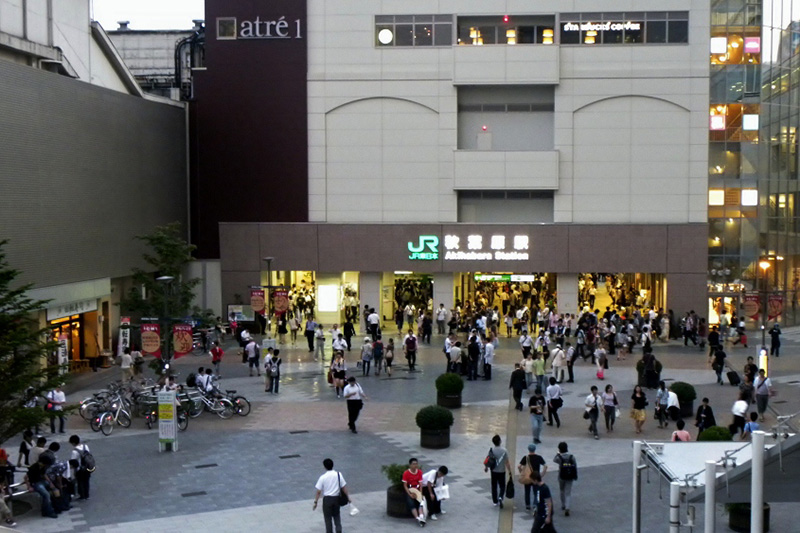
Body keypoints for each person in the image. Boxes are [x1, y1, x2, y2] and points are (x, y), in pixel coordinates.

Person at [313, 458, 350, 533]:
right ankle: (339, 530)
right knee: (337, 516)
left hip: (327, 500)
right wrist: (348, 498)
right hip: (336, 499)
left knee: (328, 519)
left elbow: (318, 492)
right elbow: (344, 487)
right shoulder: (338, 474)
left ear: (325, 467)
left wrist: (315, 502)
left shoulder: (323, 477)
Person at [24, 454, 58, 518]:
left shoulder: (43, 467)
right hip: (35, 483)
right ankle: (49, 511)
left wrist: (50, 483)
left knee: (53, 489)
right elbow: (26, 477)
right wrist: (29, 487)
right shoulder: (33, 468)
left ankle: (50, 508)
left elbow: (44, 475)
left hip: (41, 481)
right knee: (46, 494)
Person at [485, 435, 512, 508]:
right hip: (502, 471)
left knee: (494, 486)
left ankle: (495, 501)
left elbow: (488, 459)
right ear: (500, 441)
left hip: (493, 471)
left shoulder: (492, 450)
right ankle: (500, 497)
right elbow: (507, 462)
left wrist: (486, 467)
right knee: (502, 485)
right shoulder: (504, 450)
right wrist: (509, 471)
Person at [519, 443, 547, 511]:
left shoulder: (525, 458)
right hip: (536, 477)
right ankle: (535, 505)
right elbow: (545, 466)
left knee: (527, 491)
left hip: (528, 477)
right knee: (536, 491)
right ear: (535, 449)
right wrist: (542, 474)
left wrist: (521, 472)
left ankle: (528, 506)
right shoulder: (539, 457)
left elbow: (519, 466)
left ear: (528, 449)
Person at [553, 442, 577, 517]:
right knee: (568, 493)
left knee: (562, 490)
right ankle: (567, 507)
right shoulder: (571, 457)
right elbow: (575, 466)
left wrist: (557, 453)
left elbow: (554, 460)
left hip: (561, 475)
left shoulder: (559, 458)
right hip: (570, 476)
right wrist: (575, 475)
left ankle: (563, 504)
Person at [402, 458, 427, 526]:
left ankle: (421, 516)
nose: (415, 465)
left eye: (416, 464)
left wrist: (420, 494)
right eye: (413, 464)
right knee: (411, 503)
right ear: (410, 465)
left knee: (420, 502)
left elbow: (421, 484)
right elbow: (405, 486)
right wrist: (410, 494)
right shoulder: (406, 473)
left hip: (417, 490)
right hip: (410, 490)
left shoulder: (419, 472)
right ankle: (417, 518)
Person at [69, 435, 92, 500]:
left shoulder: (74, 451)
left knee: (80, 481)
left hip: (80, 469)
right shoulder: (86, 446)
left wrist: (72, 473)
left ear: (73, 443)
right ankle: (87, 494)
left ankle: (82, 495)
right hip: (88, 466)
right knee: (86, 481)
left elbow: (73, 461)